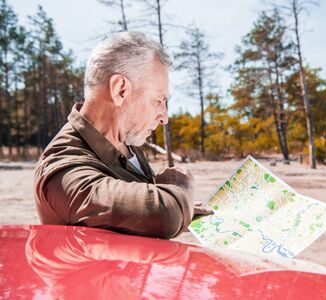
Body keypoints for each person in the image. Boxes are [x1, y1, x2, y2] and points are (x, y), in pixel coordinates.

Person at [33, 31, 211, 239]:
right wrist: (179, 189)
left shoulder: (125, 144)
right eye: (158, 100)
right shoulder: (63, 168)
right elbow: (165, 215)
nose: (164, 117)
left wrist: (182, 206)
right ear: (120, 90)